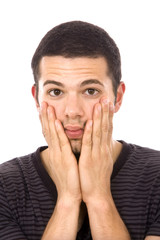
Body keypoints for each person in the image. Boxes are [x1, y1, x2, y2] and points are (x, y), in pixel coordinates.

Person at [0, 21, 160, 240]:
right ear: (37, 99)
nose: (72, 111)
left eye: (90, 91)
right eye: (56, 92)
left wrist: (98, 197)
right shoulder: (5, 188)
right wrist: (67, 199)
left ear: (118, 97)